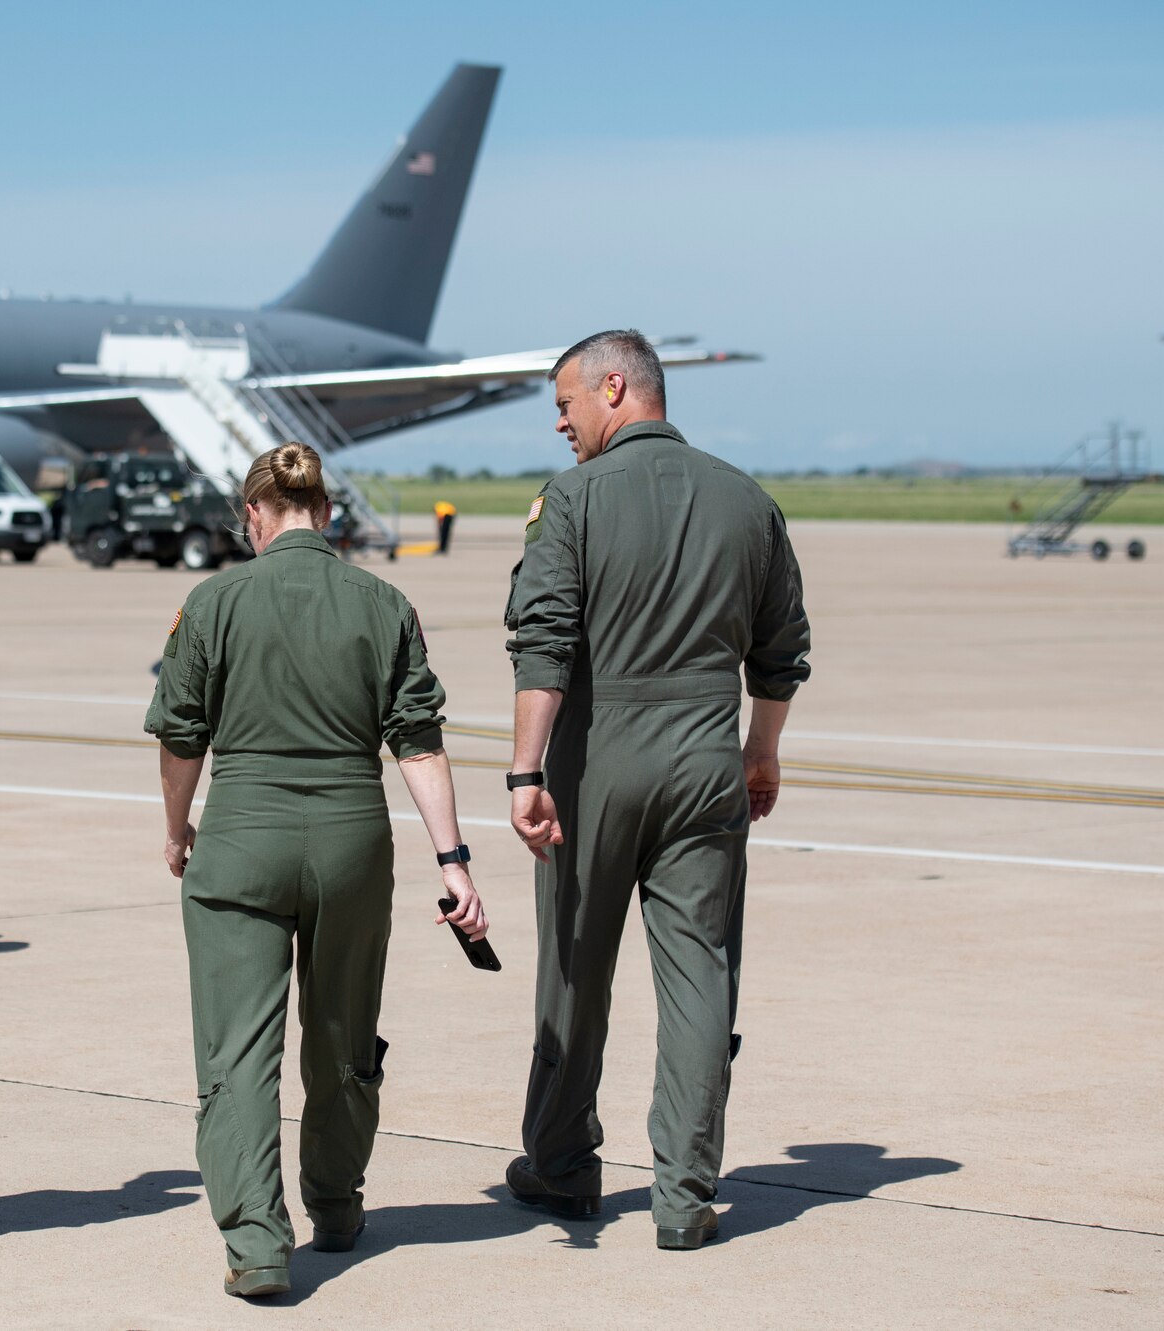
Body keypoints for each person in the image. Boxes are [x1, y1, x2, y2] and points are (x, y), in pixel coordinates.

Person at [146, 440, 487, 1300]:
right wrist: (454, 860)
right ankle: (335, 1203)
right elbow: (418, 740)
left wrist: (177, 827)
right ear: (326, 514)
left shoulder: (213, 600)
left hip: (240, 841)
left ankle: (258, 1242)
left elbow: (181, 735)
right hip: (351, 843)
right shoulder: (383, 602)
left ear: (254, 516)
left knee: (238, 1047)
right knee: (340, 1032)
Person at [502, 330, 811, 1250]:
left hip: (599, 762)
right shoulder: (747, 500)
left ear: (614, 386)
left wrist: (526, 769)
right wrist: (761, 754)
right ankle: (683, 1192)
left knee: (573, 968)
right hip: (707, 760)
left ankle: (561, 1167)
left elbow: (543, 641)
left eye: (565, 402)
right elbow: (782, 651)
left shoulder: (573, 499)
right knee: (700, 973)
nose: (560, 421)